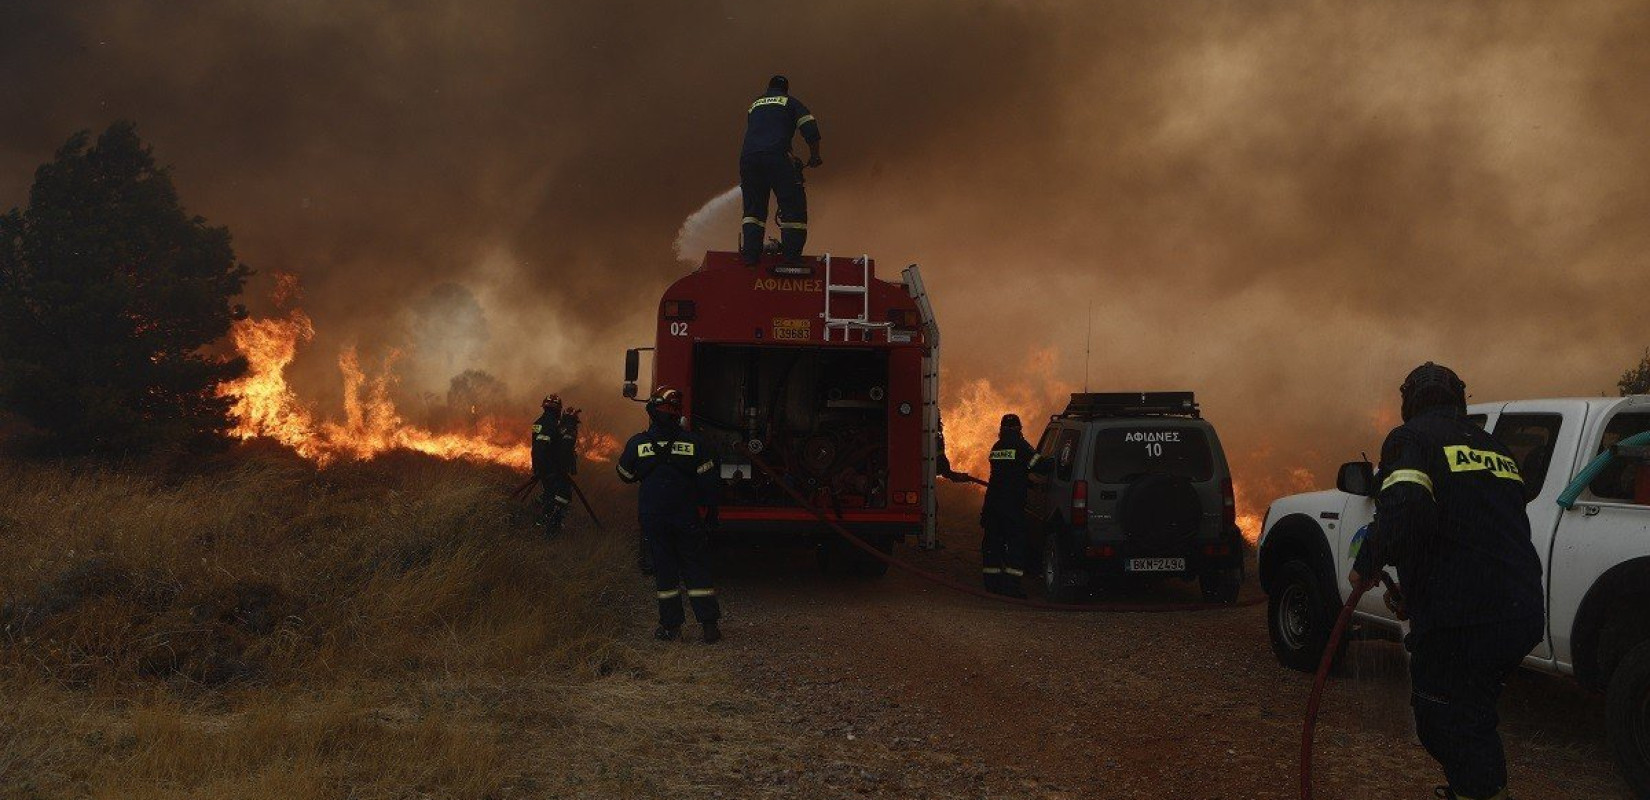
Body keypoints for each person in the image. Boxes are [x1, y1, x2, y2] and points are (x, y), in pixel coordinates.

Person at [1350, 362, 1545, 800]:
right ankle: (1477, 789)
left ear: (1409, 402)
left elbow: (1407, 508)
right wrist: (1416, 597)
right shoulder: (1496, 448)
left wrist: (1366, 564)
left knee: (1443, 719)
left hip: (1465, 618)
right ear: (1459, 398)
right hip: (1520, 612)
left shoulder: (1410, 439)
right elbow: (1473, 530)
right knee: (1472, 714)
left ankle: (1479, 792)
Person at [615, 386, 724, 643]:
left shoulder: (638, 443)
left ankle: (671, 627)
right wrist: (710, 514)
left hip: (654, 517)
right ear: (678, 415)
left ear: (651, 413)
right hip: (686, 516)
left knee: (665, 571)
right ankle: (709, 626)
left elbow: (625, 474)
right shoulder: (695, 443)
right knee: (695, 568)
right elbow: (709, 483)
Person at [739, 74, 822, 270]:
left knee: (753, 212)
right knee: (793, 207)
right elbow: (810, 128)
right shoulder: (790, 103)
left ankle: (751, 256)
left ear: (768, 88)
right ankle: (791, 257)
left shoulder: (755, 105)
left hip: (749, 160)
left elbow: (766, 132)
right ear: (786, 90)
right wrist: (814, 156)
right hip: (776, 158)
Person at [980, 414, 1053, 598]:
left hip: (993, 504)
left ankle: (991, 586)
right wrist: (1056, 461)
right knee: (1015, 545)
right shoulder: (1021, 446)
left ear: (1002, 429)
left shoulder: (996, 447)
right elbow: (1040, 466)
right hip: (1012, 506)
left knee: (993, 545)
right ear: (1019, 428)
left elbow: (1005, 473)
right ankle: (1011, 588)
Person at [530, 394, 580, 535]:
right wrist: (569, 425)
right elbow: (553, 448)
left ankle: (546, 519)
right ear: (558, 410)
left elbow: (541, 447)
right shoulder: (550, 425)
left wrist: (538, 468)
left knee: (550, 492)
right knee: (561, 494)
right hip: (552, 468)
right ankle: (551, 525)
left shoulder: (539, 423)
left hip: (544, 467)